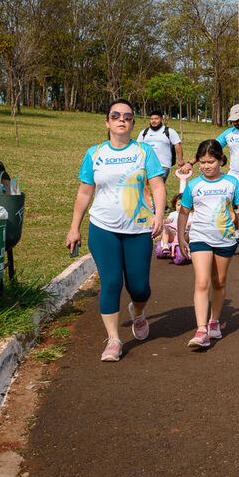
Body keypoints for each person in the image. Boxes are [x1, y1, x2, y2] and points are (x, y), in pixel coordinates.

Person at [66, 99, 166, 362]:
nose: (122, 119)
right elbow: (84, 192)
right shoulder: (94, 153)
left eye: (128, 116)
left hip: (138, 229)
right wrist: (74, 227)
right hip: (103, 228)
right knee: (111, 282)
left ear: (133, 122)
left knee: (139, 286)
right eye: (116, 115)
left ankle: (139, 312)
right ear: (107, 121)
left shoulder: (145, 152)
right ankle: (113, 339)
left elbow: (157, 186)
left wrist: (158, 216)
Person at [178, 140, 239, 348]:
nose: (206, 166)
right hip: (200, 238)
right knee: (202, 281)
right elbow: (184, 212)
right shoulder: (194, 185)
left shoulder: (231, 183)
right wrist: (181, 237)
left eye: (210, 161)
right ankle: (201, 329)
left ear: (221, 160)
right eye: (202, 162)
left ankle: (214, 322)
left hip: (225, 239)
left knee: (218, 281)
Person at [179, 104, 239, 251]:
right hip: (233, 178)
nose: (234, 123)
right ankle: (237, 233)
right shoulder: (229, 133)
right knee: (227, 208)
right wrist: (190, 163)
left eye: (237, 120)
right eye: (232, 120)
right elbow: (209, 149)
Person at [136, 109, 184, 184]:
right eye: (151, 119)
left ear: (161, 119)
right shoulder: (144, 132)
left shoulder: (169, 131)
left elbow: (178, 145)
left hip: (163, 165)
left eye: (156, 119)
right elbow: (138, 147)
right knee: (149, 188)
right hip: (147, 165)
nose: (153, 121)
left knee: (158, 186)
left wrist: (180, 160)